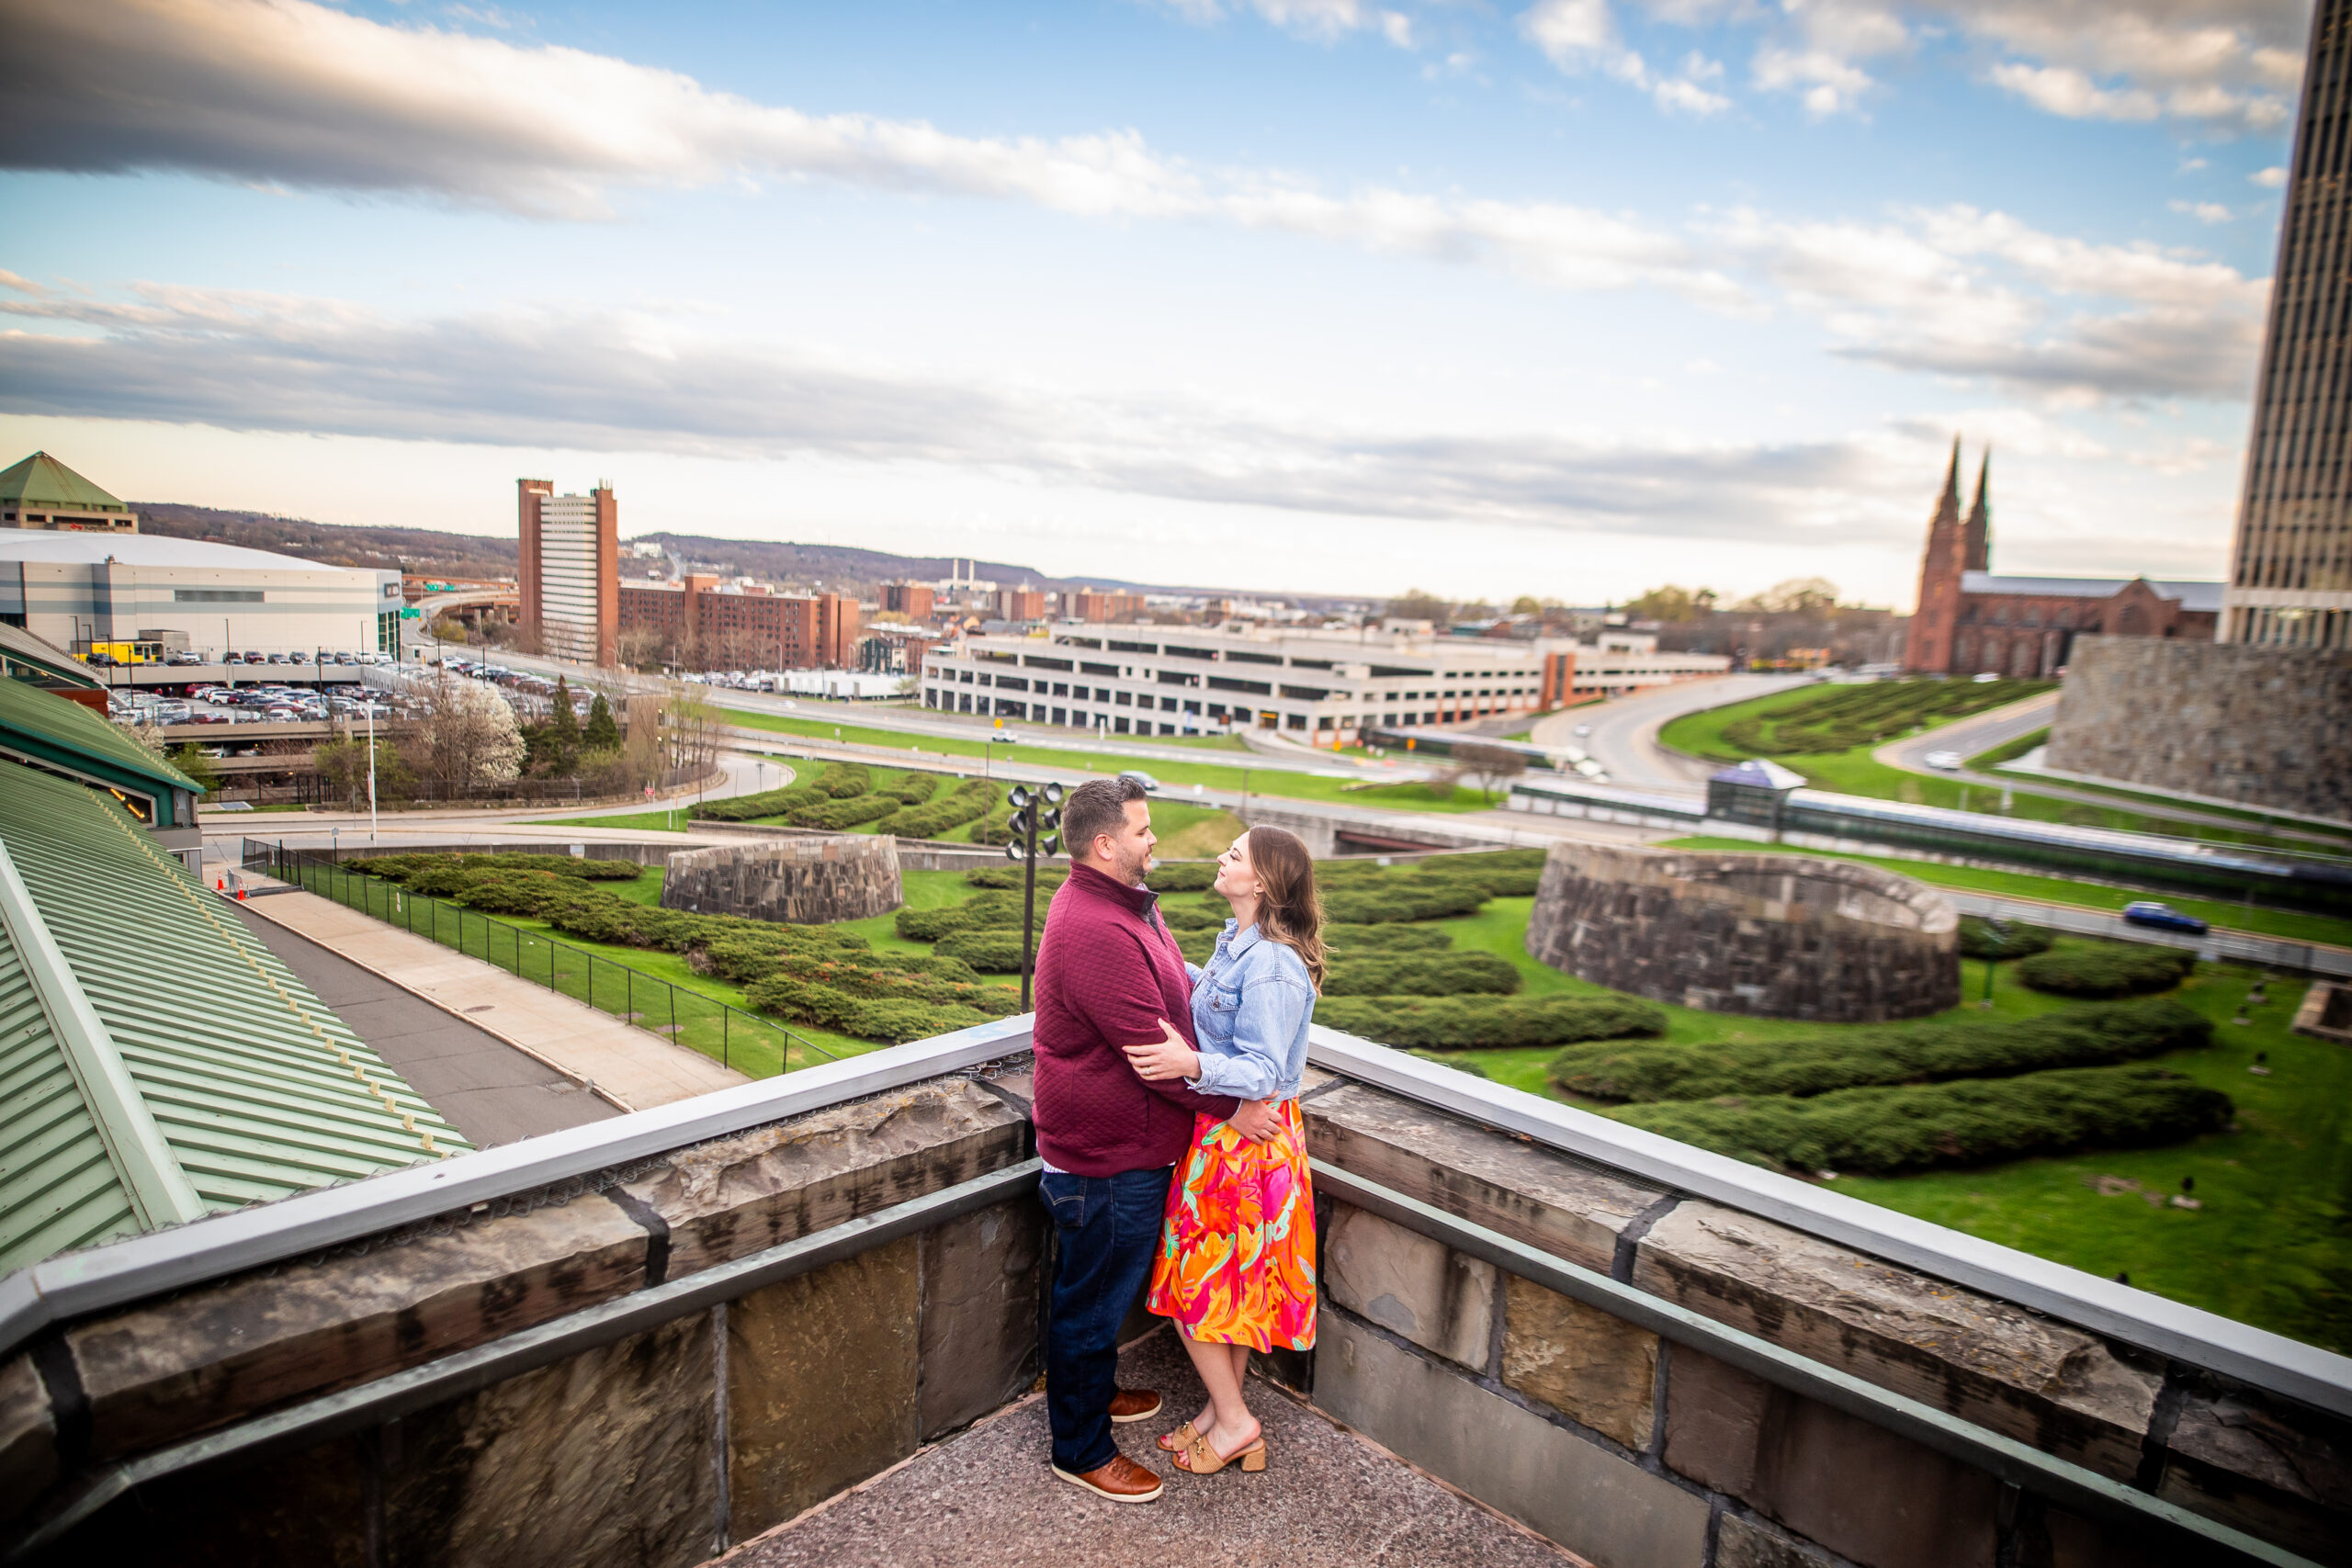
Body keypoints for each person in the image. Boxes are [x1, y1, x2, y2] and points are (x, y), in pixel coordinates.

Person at [1031, 775, 1281, 1505]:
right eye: (1142, 830)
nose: (1154, 840)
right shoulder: (1097, 927)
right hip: (1105, 1157)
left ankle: (1094, 1391)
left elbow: (1176, 1006)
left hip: (1121, 1146)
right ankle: (1079, 1449)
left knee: (1098, 1291)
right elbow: (1152, 1051)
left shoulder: (1122, 904)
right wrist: (1234, 1106)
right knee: (1093, 1301)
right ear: (1105, 844)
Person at [1125, 825, 1323, 1480]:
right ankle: (1222, 1412)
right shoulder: (1240, 944)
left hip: (1245, 1144)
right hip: (1232, 1139)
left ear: (1261, 881)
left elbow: (1263, 1070)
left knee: (1196, 1286)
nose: (1221, 856)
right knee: (1231, 1290)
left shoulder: (1271, 963)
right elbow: (1204, 997)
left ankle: (1238, 1422)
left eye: (1234, 854)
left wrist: (1190, 1063)